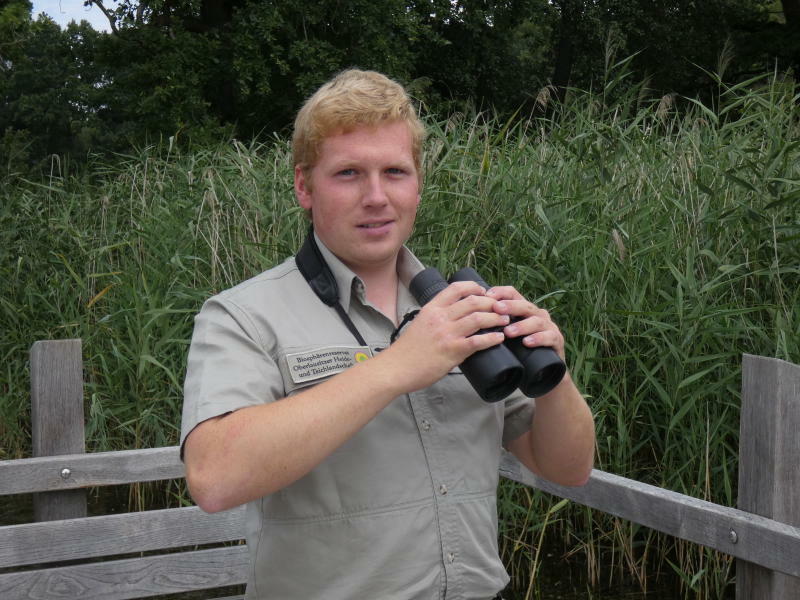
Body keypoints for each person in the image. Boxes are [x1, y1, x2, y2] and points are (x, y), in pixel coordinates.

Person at [180, 68, 595, 600]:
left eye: (395, 172)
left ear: (419, 184)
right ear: (304, 186)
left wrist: (552, 371)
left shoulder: (462, 310)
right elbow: (215, 479)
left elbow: (569, 468)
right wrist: (397, 367)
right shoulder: (243, 315)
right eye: (348, 173)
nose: (376, 196)